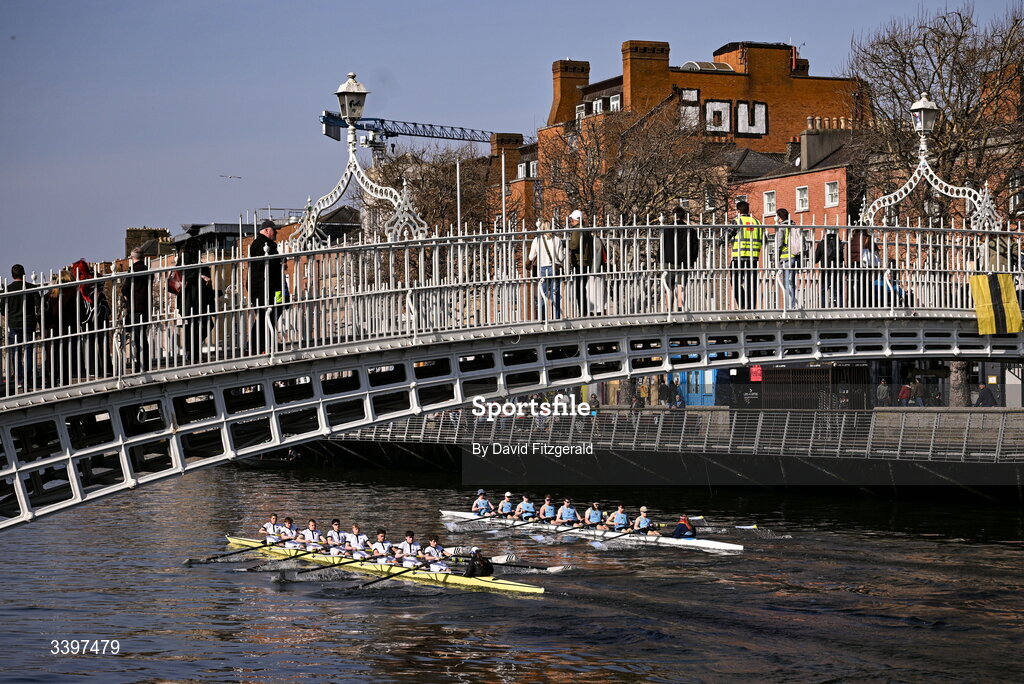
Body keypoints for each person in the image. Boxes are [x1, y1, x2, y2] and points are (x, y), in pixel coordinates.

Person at [248, 219, 284, 354]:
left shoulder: (266, 244)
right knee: (265, 316)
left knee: (276, 310)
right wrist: (279, 262)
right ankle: (258, 346)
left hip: (274, 288)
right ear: (267, 230)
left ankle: (264, 344)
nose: (276, 233)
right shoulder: (262, 244)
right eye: (274, 230)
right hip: (265, 289)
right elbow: (264, 266)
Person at [4, 264, 39, 390]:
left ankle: (19, 378)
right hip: (28, 322)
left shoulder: (8, 289)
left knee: (16, 351)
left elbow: (3, 309)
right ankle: (27, 378)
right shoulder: (31, 288)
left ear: (12, 275)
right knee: (29, 350)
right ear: (24, 274)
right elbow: (38, 305)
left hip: (14, 323)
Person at [120, 247, 153, 373]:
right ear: (143, 258)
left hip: (134, 309)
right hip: (145, 307)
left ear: (132, 258)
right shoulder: (147, 271)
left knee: (135, 338)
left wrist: (126, 295)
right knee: (143, 337)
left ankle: (138, 364)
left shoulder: (132, 271)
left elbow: (124, 289)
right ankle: (146, 364)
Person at [662, 207, 700, 310]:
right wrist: (692, 261)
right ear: (683, 216)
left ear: (673, 216)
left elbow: (662, 245)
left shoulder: (666, 229)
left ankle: (669, 309)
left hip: (669, 260)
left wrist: (660, 259)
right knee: (681, 286)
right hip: (684, 261)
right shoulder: (690, 230)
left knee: (669, 286)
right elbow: (695, 247)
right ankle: (680, 308)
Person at [729, 200, 763, 310]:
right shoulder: (756, 222)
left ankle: (743, 304)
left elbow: (727, 235)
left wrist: (718, 241)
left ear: (738, 210)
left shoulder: (737, 221)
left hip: (739, 256)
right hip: (753, 257)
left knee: (735, 281)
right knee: (751, 283)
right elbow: (763, 239)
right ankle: (751, 305)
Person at [527, 220, 564, 320]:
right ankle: (556, 317)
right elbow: (561, 258)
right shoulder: (557, 240)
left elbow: (531, 256)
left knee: (542, 295)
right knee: (555, 295)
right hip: (554, 269)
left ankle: (542, 318)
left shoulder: (537, 240)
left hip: (543, 269)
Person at [774, 208, 807, 310]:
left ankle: (788, 306)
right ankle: (792, 304)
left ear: (779, 217)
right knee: (792, 283)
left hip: (786, 258)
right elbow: (803, 242)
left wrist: (775, 259)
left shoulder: (782, 227)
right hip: (795, 257)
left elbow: (779, 244)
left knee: (787, 283)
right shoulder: (794, 226)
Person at [814, 230, 845, 308]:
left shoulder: (822, 244)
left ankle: (823, 307)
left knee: (823, 290)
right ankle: (840, 307)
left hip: (825, 269)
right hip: (837, 269)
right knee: (837, 290)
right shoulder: (839, 243)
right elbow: (842, 258)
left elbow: (815, 259)